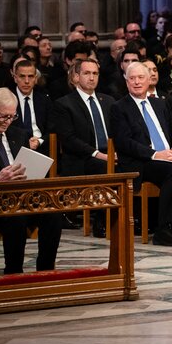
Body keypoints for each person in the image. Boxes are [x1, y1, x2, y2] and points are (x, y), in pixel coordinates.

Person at [0, 88, 61, 276]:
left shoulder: (19, 134)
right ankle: (13, 272)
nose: (7, 122)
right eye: (3, 117)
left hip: (22, 196)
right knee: (16, 217)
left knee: (53, 214)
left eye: (12, 117)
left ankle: (45, 271)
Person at [110, 62, 172, 246]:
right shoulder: (119, 107)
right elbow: (125, 143)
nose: (136, 82)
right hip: (140, 163)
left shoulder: (160, 104)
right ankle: (164, 228)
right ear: (126, 83)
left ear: (149, 80)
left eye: (141, 78)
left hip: (169, 158)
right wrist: (155, 155)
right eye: (131, 78)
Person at [53, 59, 116, 237]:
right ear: (76, 76)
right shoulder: (64, 104)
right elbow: (69, 140)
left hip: (110, 154)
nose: (91, 78)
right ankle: (101, 220)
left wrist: (116, 152)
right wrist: (98, 154)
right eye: (87, 73)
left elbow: (117, 132)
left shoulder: (108, 101)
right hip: (82, 159)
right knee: (104, 167)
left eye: (95, 73)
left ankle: (129, 218)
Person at [11, 58, 52, 155]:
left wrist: (39, 141)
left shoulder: (44, 99)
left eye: (30, 76)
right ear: (15, 78)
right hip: (15, 148)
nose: (26, 81)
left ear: (36, 78)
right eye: (22, 76)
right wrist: (24, 143)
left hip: (41, 147)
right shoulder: (8, 98)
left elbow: (52, 128)